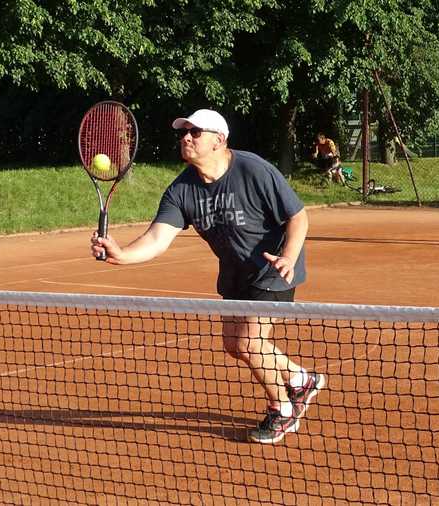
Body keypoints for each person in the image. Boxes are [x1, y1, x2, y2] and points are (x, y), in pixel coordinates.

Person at [91, 108, 325, 444]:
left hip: (273, 269)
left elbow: (298, 216)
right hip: (235, 273)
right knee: (234, 345)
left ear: (219, 140)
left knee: (248, 342)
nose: (186, 137)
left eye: (195, 132)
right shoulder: (181, 190)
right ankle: (300, 380)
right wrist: (122, 254)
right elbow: (158, 238)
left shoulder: (253, 169)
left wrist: (288, 256)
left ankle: (283, 411)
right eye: (184, 132)